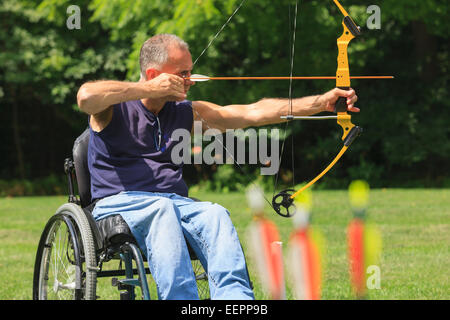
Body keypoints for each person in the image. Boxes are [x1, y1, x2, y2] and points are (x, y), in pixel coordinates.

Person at [76, 33, 358, 300]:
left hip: (172, 203)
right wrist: (145, 89)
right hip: (120, 204)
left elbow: (252, 112)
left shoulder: (185, 113)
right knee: (161, 210)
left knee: (215, 214)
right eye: (182, 74)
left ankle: (236, 300)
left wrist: (320, 103)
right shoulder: (112, 109)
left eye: (190, 72)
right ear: (154, 75)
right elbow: (85, 96)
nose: (191, 80)